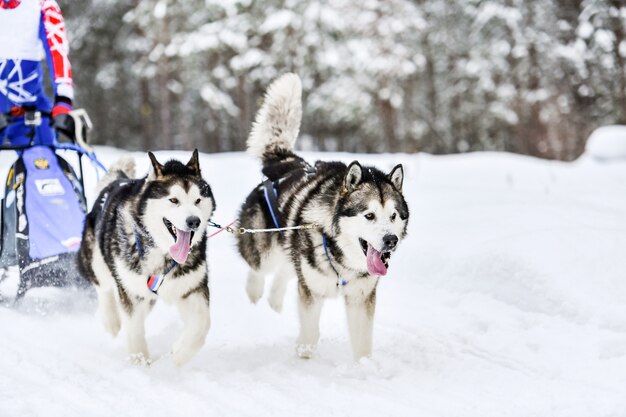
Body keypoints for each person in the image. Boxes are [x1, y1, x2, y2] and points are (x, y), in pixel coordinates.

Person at [0, 0, 75, 146]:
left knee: (46, 163)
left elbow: (57, 53)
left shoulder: (43, 4)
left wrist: (63, 100)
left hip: (31, 109)